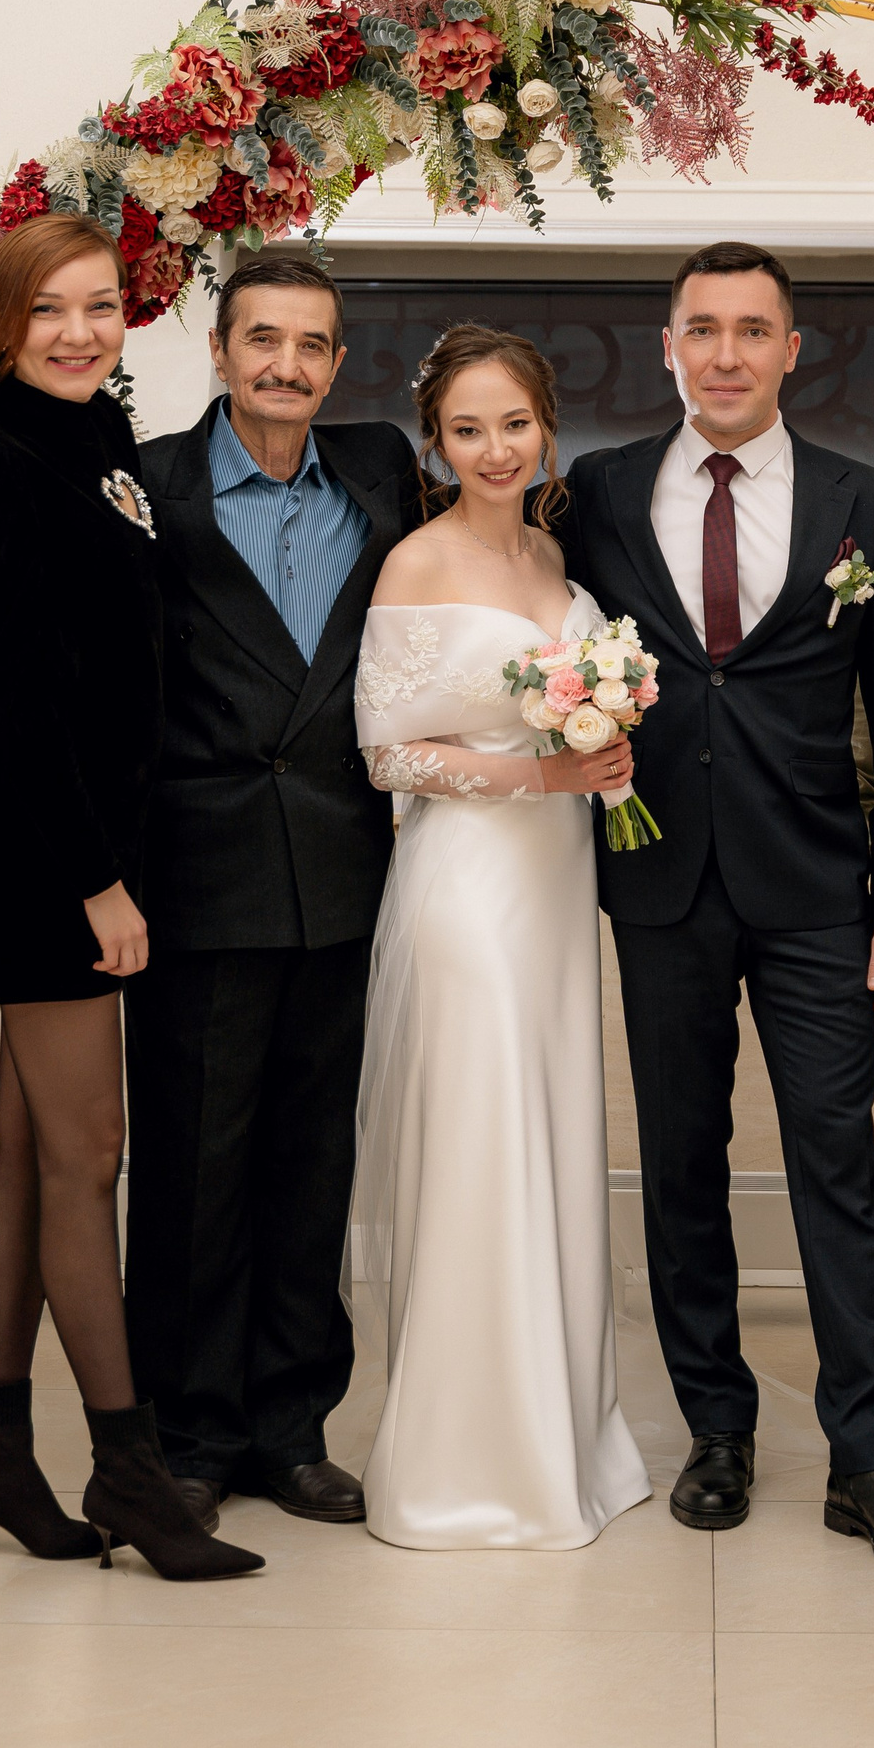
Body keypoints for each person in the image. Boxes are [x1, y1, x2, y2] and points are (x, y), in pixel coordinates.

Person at [563, 243, 874, 1576]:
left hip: (818, 890)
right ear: (668, 346)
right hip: (657, 879)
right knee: (681, 1163)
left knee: (837, 1161)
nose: (725, 353)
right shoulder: (600, 492)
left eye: (751, 329)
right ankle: (716, 1431)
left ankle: (869, 1456)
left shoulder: (864, 502)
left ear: (793, 349)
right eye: (702, 328)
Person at [0, 213, 261, 1582]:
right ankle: (129, 1468)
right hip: (46, 857)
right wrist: (100, 885)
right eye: (49, 309)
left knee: (30, 1150)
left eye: (102, 304)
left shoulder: (101, 436)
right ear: (4, 325)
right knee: (89, 1155)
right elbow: (13, 701)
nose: (79, 331)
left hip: (89, 847)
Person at [345, 323, 651, 1548]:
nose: (493, 450)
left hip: (555, 888)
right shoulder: (417, 562)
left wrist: (601, 754)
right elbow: (386, 755)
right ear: (435, 442)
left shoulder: (553, 555)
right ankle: (468, 1466)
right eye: (466, 430)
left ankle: (563, 1436)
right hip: (470, 889)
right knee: (484, 1140)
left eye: (512, 425)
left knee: (553, 1129)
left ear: (547, 429)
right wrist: (544, 778)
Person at [125, 250, 417, 1528]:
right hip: (197, 880)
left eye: (310, 344)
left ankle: (292, 1429)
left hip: (346, 878)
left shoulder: (381, 472)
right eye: (262, 339)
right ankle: (190, 1436)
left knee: (311, 1166)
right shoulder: (146, 485)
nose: (285, 365)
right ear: (219, 350)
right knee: (194, 1172)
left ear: (337, 365)